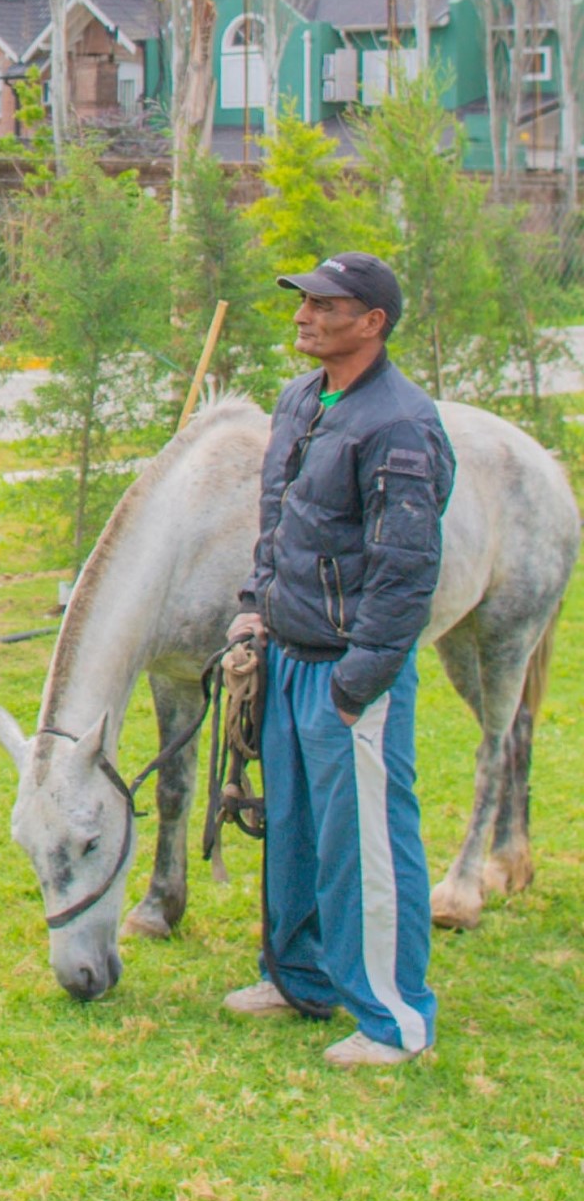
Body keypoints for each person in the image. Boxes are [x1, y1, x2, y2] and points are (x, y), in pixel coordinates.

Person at [223, 252, 455, 1069]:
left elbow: (406, 569)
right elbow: (278, 522)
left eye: (325, 305)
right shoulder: (300, 399)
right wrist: (253, 611)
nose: (303, 315)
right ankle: (300, 980)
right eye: (302, 302)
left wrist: (361, 681)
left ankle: (393, 1019)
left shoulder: (399, 423)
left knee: (366, 845)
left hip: (351, 670)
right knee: (292, 833)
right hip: (284, 654)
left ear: (372, 323)